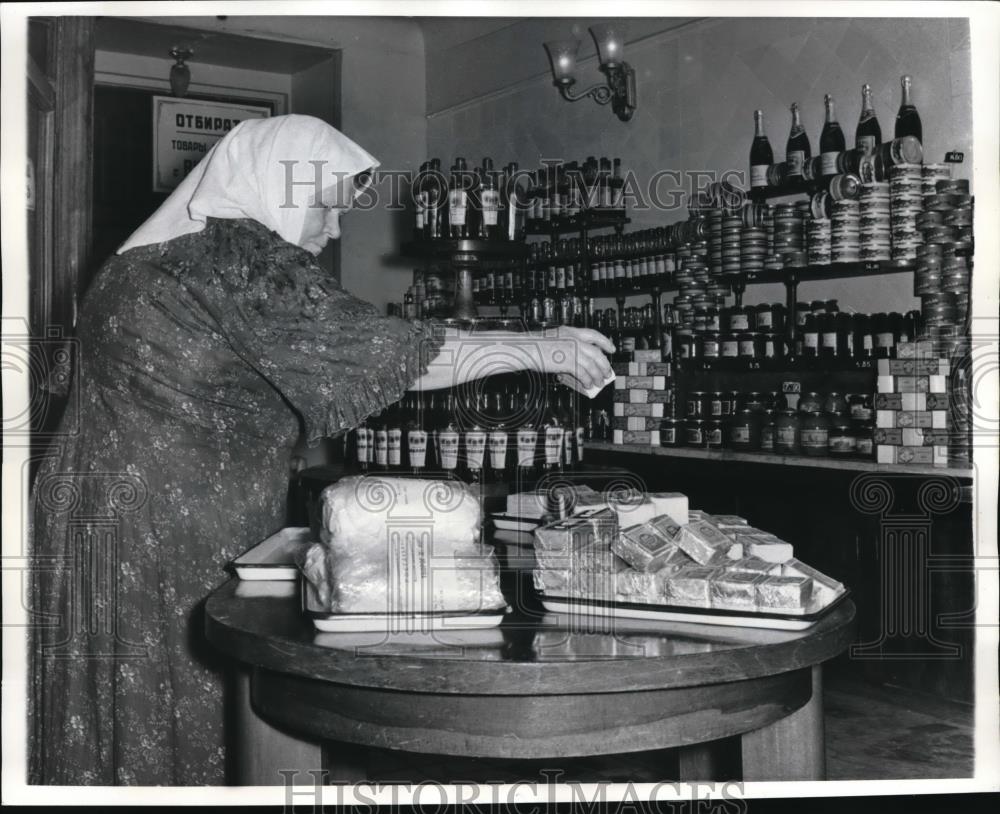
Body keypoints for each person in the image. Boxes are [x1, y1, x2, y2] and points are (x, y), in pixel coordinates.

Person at [27, 114, 613, 785]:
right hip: (167, 533)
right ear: (276, 186)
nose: (334, 231)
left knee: (100, 719)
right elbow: (373, 351)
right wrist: (537, 348)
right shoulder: (230, 257)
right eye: (327, 208)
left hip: (86, 522)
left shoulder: (138, 261)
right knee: (189, 719)